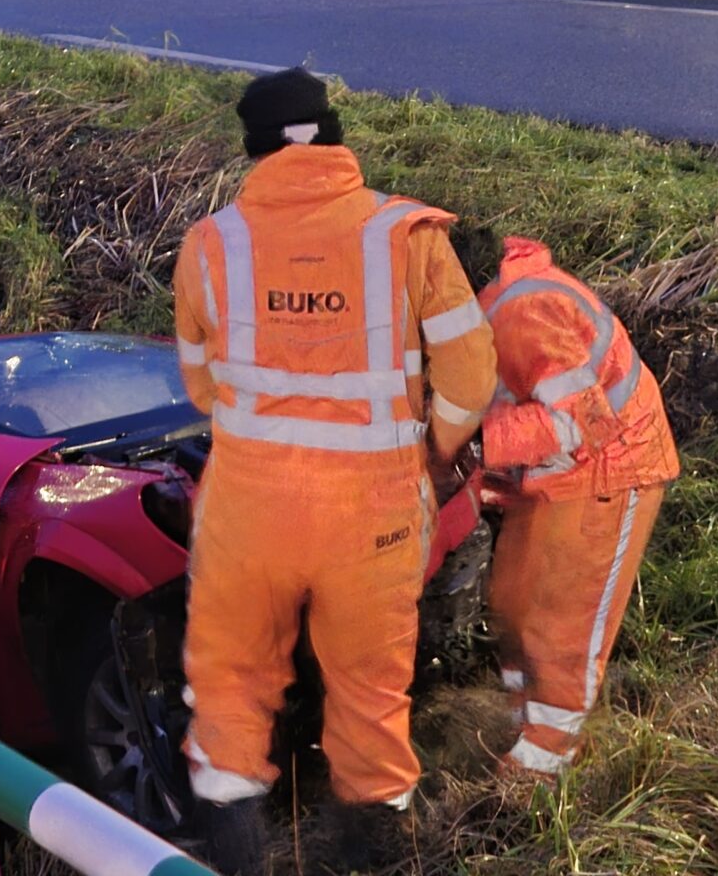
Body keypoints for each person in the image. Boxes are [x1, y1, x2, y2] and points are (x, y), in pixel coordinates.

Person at [172, 68, 497, 873]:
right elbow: (470, 377)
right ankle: (373, 854)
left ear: (253, 150)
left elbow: (201, 385)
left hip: (247, 514)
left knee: (229, 688)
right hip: (371, 519)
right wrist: (428, 454)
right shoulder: (406, 235)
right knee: (369, 702)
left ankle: (231, 854)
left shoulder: (211, 244)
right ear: (335, 135)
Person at [474, 235, 679, 777]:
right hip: (554, 479)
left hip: (608, 474)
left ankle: (540, 773)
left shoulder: (524, 314)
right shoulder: (488, 313)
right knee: (512, 607)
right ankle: (523, 727)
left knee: (559, 625)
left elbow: (581, 422)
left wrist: (477, 444)